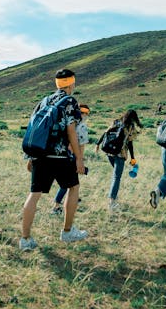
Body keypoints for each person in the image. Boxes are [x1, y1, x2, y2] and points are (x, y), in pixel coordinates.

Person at [20, 69, 87, 250]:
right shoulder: (70, 101)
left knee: (34, 194)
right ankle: (67, 232)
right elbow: (71, 130)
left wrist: (30, 156)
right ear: (72, 83)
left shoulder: (44, 100)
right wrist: (79, 158)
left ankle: (25, 239)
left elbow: (33, 127)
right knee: (73, 187)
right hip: (59, 155)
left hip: (40, 154)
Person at [96, 109, 142, 213]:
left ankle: (114, 198)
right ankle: (112, 201)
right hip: (121, 154)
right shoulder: (130, 127)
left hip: (109, 152)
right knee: (116, 177)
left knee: (115, 176)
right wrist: (133, 157)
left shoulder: (115, 121)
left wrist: (98, 144)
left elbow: (105, 132)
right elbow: (130, 144)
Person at [50, 103, 90, 216]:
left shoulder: (67, 122)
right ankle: (56, 206)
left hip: (61, 155)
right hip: (71, 158)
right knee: (67, 184)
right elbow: (81, 145)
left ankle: (72, 198)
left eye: (86, 113)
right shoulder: (82, 126)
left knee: (71, 183)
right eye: (83, 113)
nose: (85, 115)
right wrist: (80, 159)